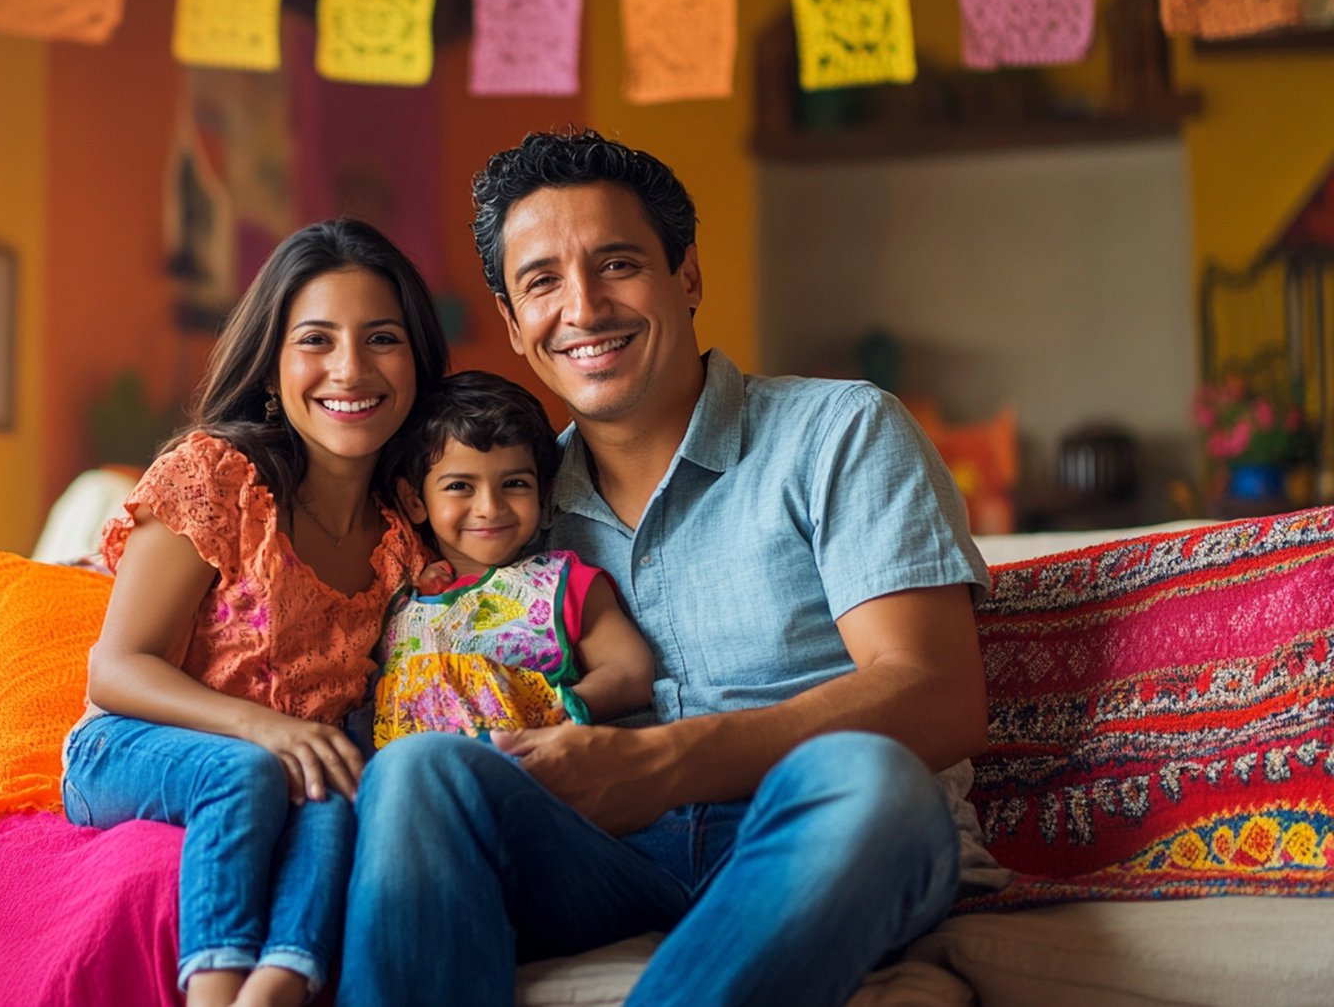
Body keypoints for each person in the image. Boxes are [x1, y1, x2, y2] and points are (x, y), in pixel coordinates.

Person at [339, 130, 995, 1007]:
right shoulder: (508, 512)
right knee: (417, 772)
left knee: (867, 777)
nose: (583, 306)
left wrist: (665, 761)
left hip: (810, 832)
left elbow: (937, 693)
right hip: (607, 856)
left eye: (617, 264)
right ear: (513, 324)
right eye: (541, 282)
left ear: (686, 277)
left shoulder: (839, 431)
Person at [65, 218, 447, 1007]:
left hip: (293, 764)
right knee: (252, 772)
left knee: (342, 787)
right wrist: (267, 729)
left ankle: (274, 989)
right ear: (273, 368)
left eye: (382, 338)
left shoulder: (409, 532)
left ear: (415, 363)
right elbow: (116, 669)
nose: (350, 368)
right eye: (316, 340)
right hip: (129, 748)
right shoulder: (214, 478)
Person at [370, 369, 654, 747]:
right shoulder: (398, 594)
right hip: (407, 783)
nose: (490, 507)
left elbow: (631, 672)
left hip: (522, 774)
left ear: (543, 489)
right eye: (460, 487)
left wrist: (563, 713)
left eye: (515, 484)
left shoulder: (561, 585)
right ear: (415, 500)